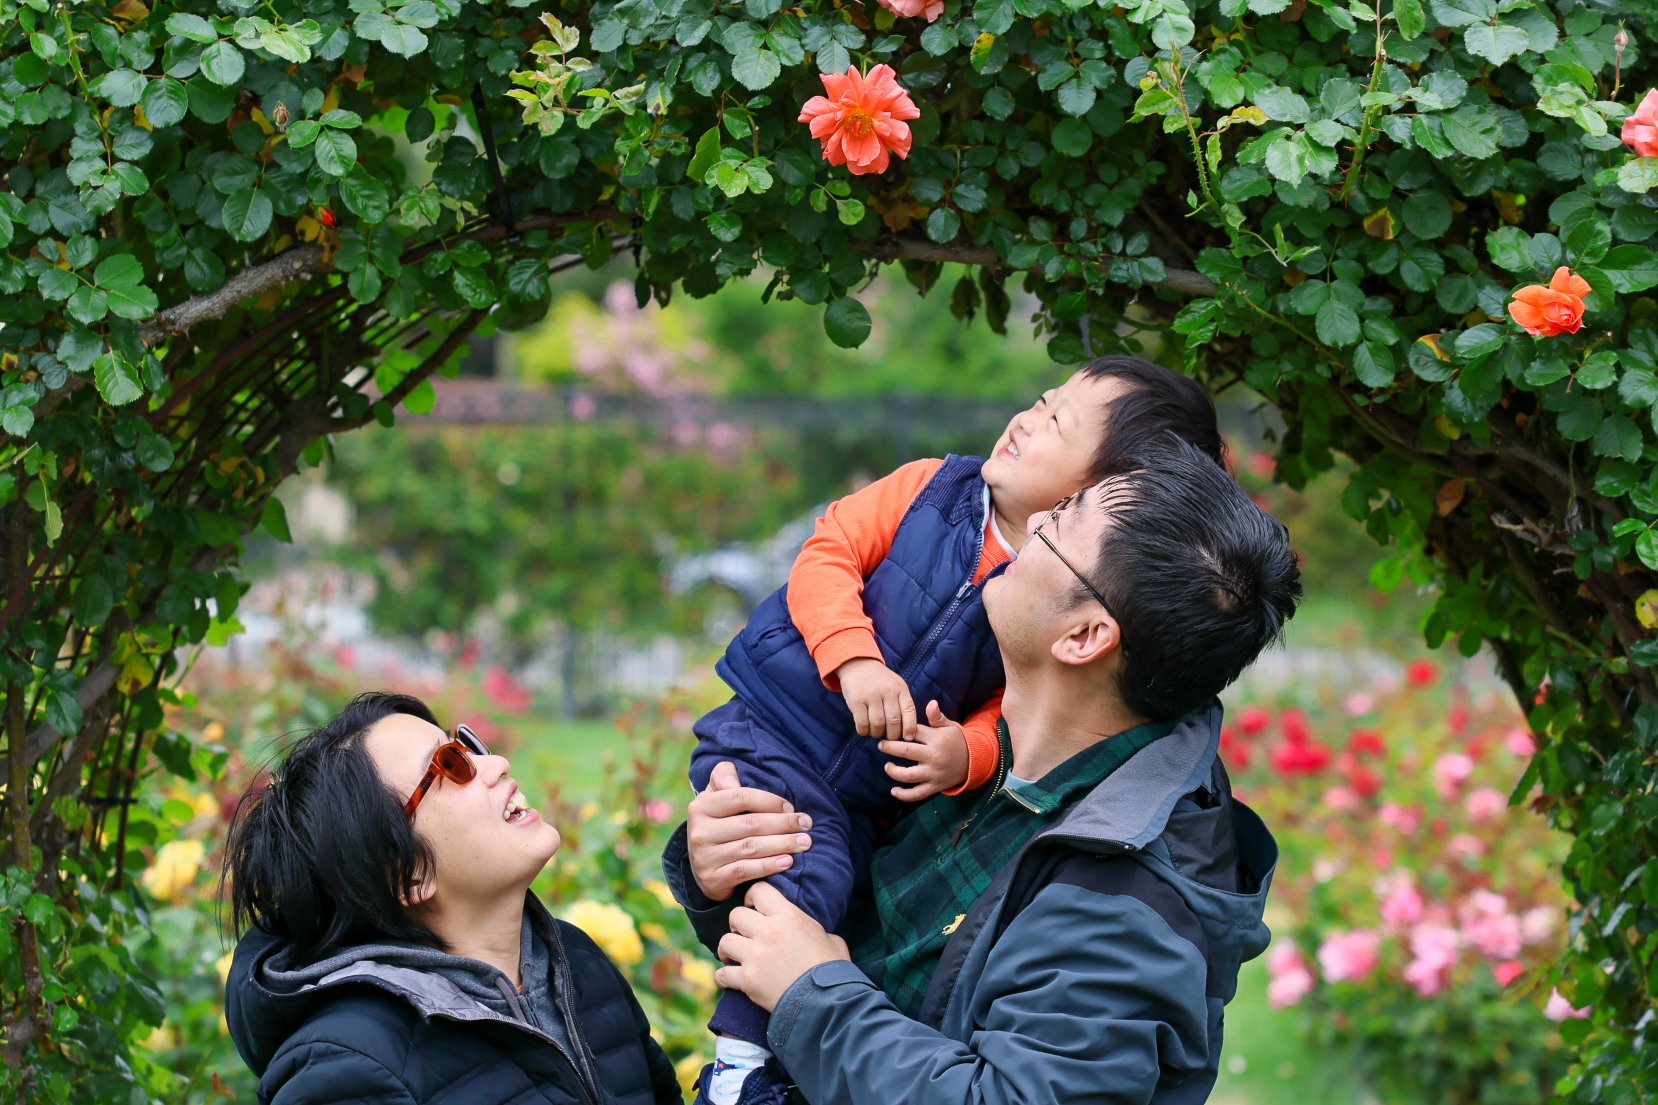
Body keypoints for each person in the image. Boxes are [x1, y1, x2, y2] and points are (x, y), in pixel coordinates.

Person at [666, 437, 1302, 1105]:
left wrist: (814, 997)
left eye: (1061, 520)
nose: (1033, 518)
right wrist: (732, 866)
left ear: (1085, 636)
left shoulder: (1125, 900)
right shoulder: (978, 757)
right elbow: (834, 938)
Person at [221, 692, 682, 1105]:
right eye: (450, 764)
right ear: (407, 874)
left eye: (468, 745)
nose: (496, 762)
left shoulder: (576, 963)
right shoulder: (350, 1069)